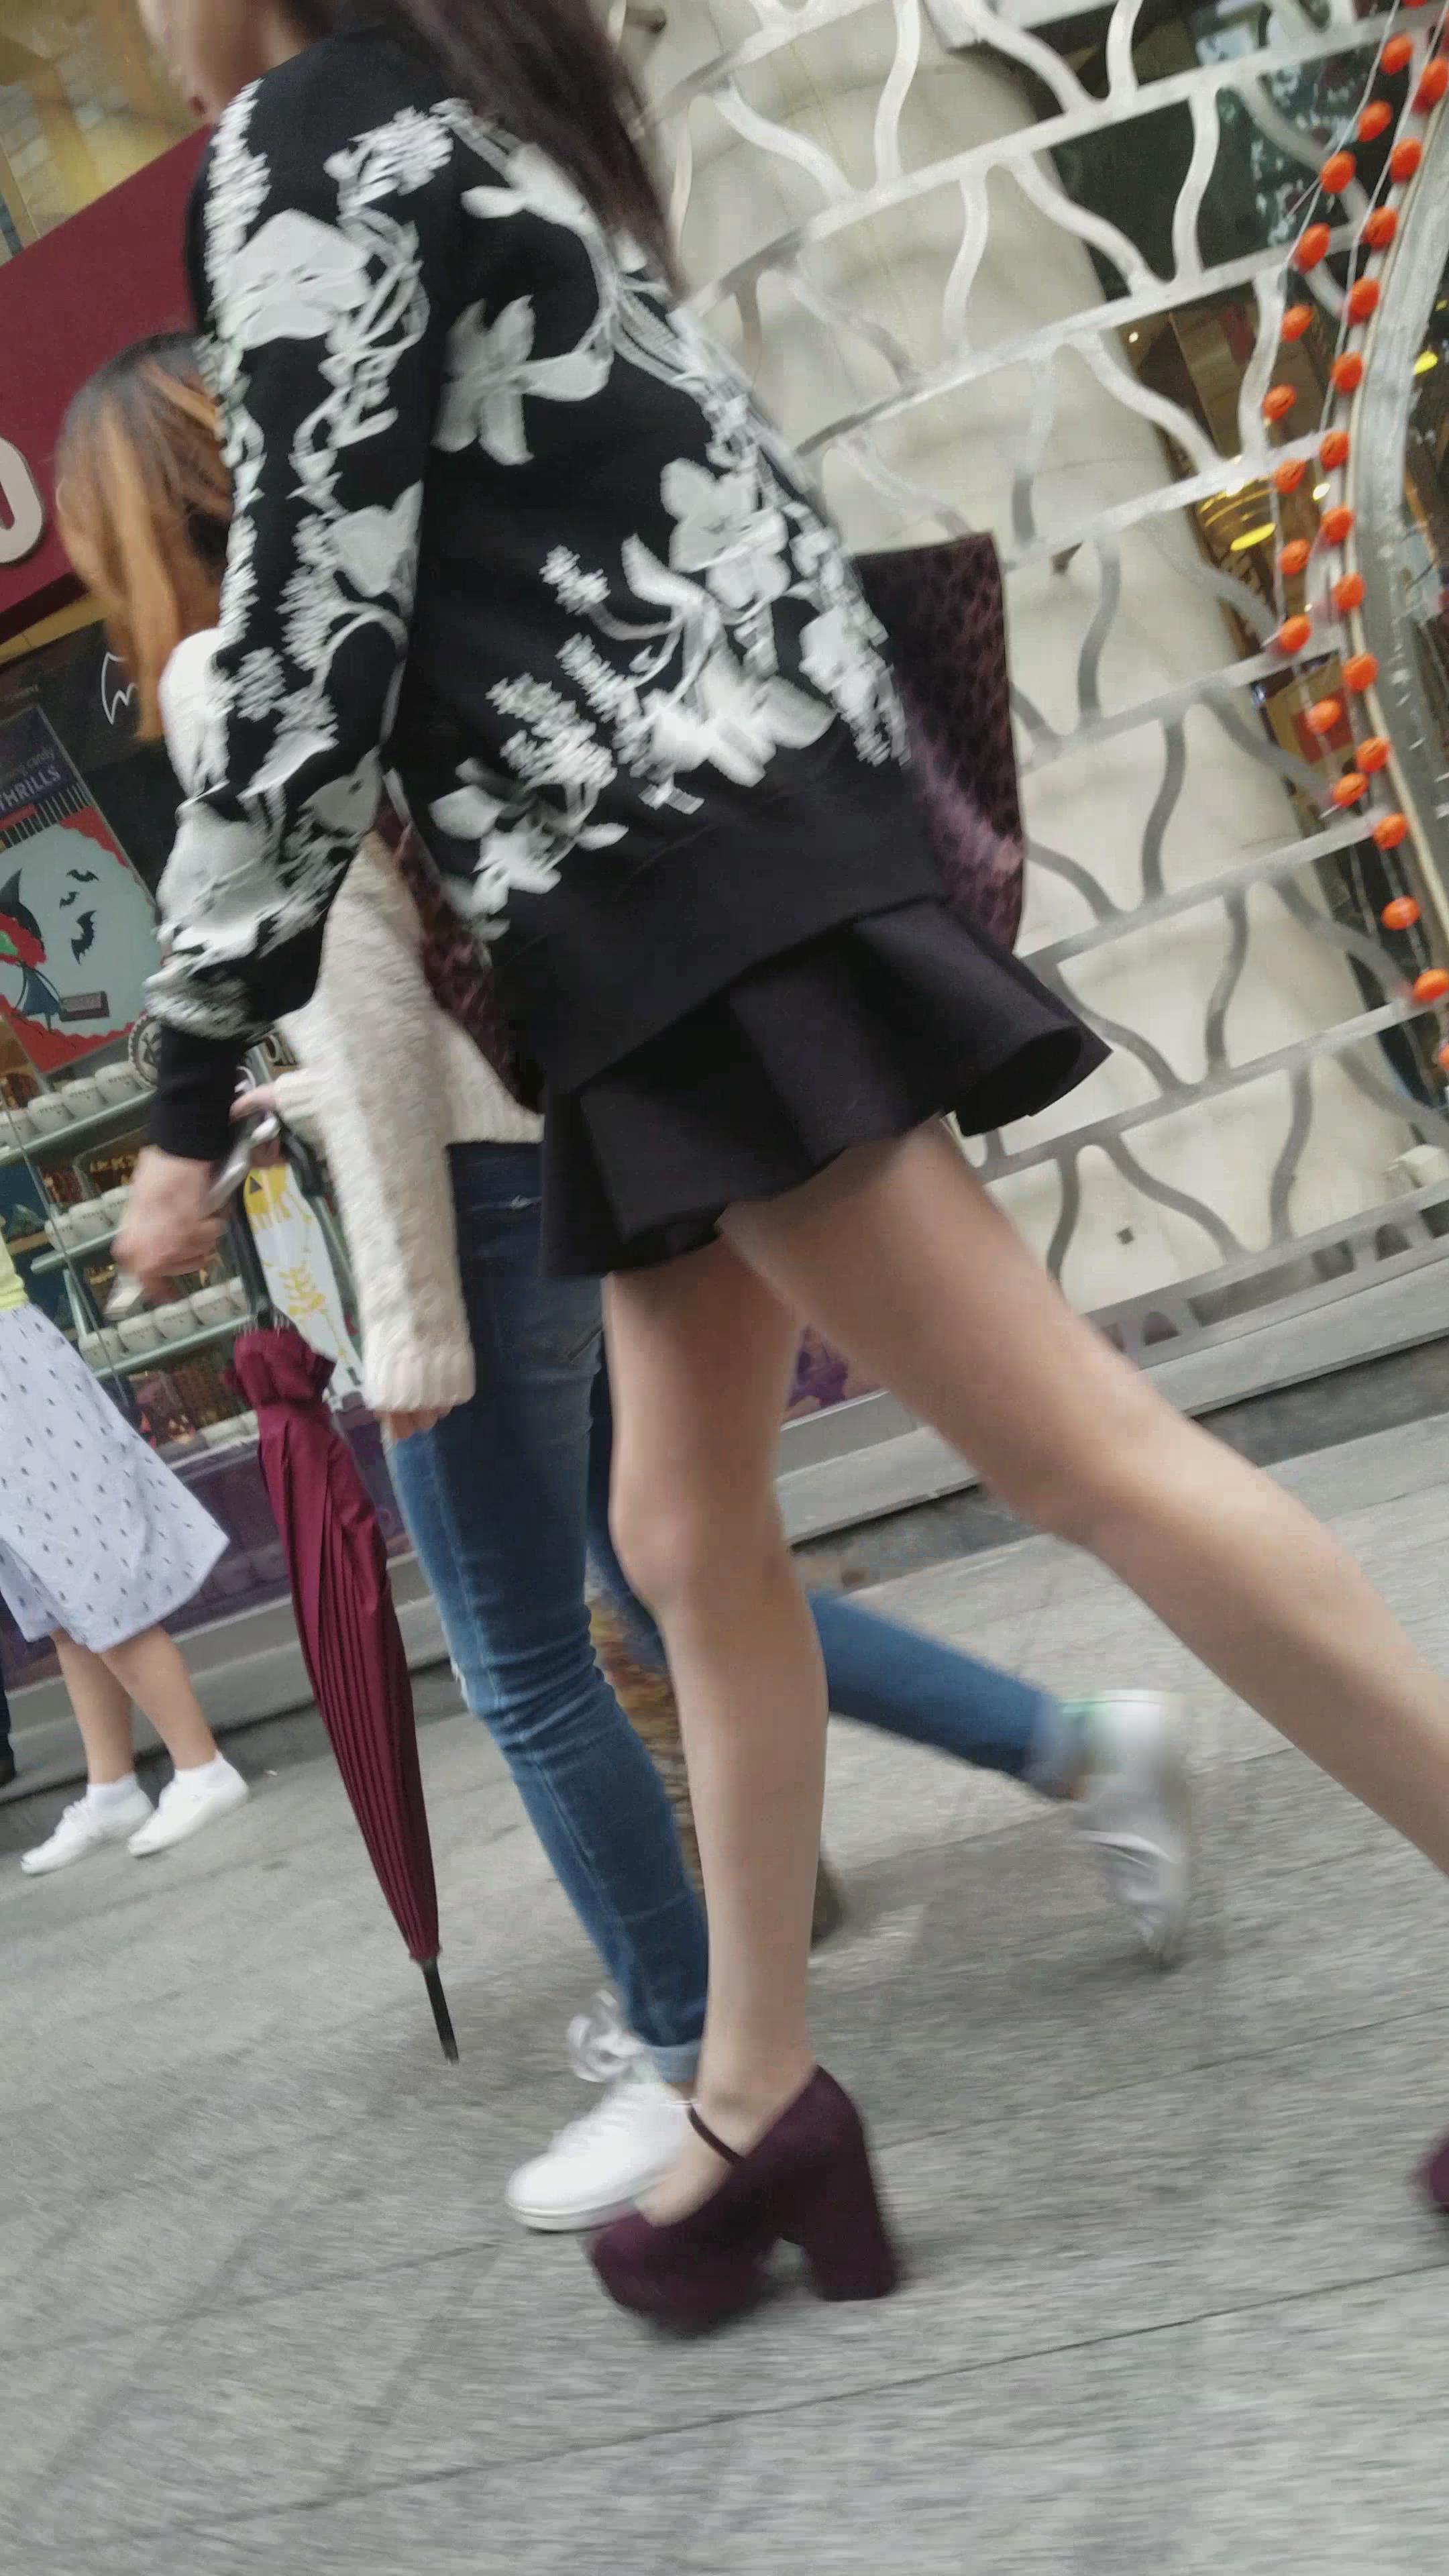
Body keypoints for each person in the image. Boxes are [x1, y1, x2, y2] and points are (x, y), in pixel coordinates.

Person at [118, 3, 1449, 2330]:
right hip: (699, 887)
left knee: (1083, 1453)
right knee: (679, 1532)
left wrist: (176, 1096)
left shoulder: (306, 137)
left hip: (662, 904)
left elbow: (309, 646)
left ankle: (755, 2094)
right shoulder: (491, 112)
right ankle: (757, 2100)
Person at [54, 325, 1193, 2218]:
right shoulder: (385, 607)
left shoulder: (222, 671)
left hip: (463, 1213)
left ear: (133, 524)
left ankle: (681, 2052)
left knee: (524, 1656)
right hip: (565, 1158)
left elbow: (370, 1004)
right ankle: (1072, 1746)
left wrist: (406, 1321)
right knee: (676, 1590)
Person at [0, 1214, 249, 1874]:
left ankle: (202, 1767)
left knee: (93, 1578)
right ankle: (112, 1789)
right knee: (63, 1604)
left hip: (9, 1366)